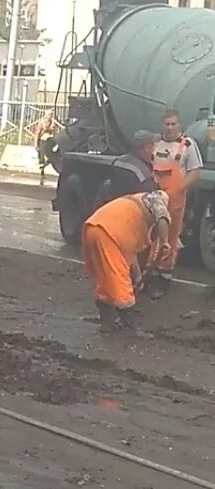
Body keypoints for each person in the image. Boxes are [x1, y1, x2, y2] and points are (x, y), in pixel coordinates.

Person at [81, 190, 171, 333]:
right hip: (109, 234)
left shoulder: (131, 215)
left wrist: (138, 277)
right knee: (120, 280)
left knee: (105, 280)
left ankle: (107, 323)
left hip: (93, 228)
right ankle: (130, 327)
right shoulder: (157, 198)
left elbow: (130, 256)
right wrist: (165, 241)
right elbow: (162, 216)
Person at [150, 108, 204, 297]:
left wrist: (179, 188)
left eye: (174, 124)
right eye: (167, 124)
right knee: (150, 237)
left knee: (170, 240)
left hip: (175, 200)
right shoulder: (155, 144)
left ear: (179, 124)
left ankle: (163, 280)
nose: (171, 127)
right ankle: (148, 274)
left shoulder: (188, 145)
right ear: (162, 125)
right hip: (153, 197)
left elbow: (195, 172)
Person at [107, 130, 159, 201]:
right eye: (153, 145)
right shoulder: (143, 173)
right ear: (146, 148)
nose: (155, 149)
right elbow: (151, 201)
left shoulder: (118, 162)